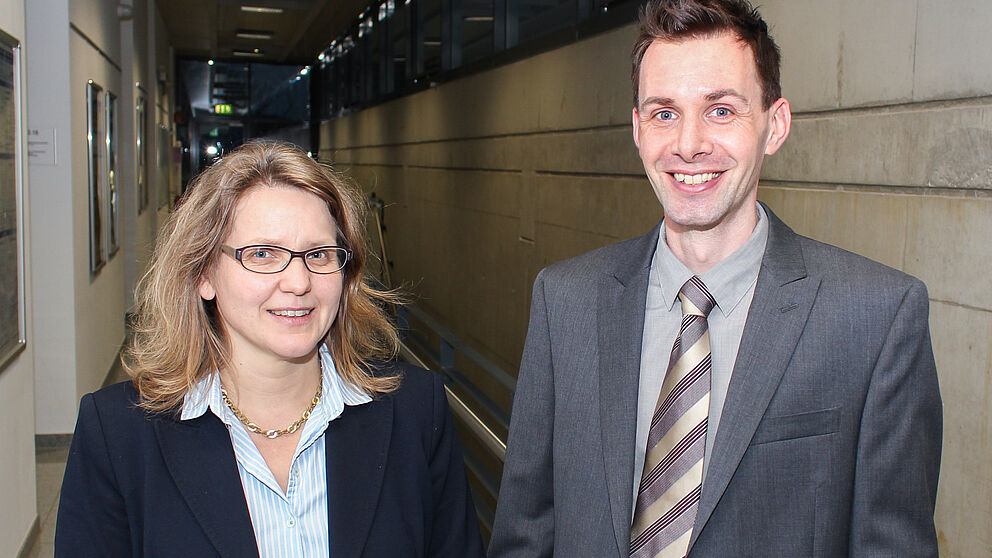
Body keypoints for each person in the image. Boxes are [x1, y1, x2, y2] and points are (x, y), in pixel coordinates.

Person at [488, 1, 942, 557]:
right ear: (637, 128)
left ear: (774, 125)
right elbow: (525, 535)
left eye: (721, 110)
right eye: (664, 113)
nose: (688, 144)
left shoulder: (875, 318)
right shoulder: (566, 303)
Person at [55, 141, 484, 558]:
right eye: (262, 254)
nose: (298, 282)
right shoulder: (118, 435)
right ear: (203, 274)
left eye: (318, 253)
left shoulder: (415, 412)